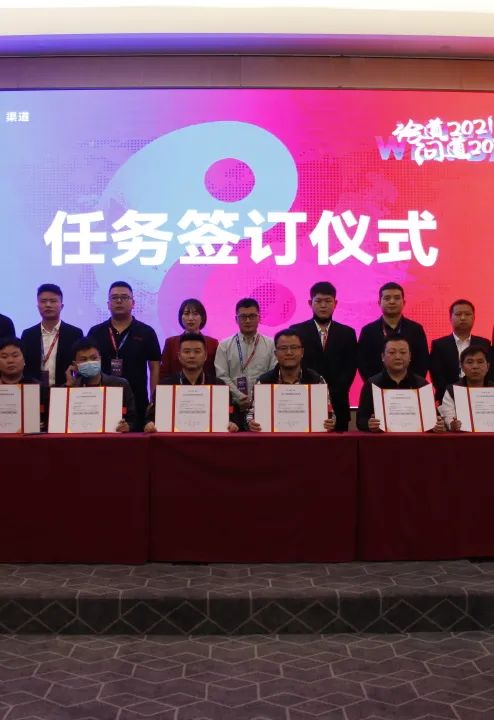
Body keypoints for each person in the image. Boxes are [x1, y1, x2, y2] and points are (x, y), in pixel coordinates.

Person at [87, 281, 161, 430]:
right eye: (114, 298)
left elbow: (154, 367)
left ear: (133, 303)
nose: (119, 301)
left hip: (138, 400)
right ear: (108, 304)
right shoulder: (95, 332)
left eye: (124, 297)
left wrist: (154, 400)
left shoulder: (147, 332)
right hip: (102, 399)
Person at [290, 281, 357, 432]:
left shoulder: (347, 333)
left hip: (338, 402)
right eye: (318, 301)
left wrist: (332, 392)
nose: (323, 305)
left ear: (335, 303)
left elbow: (350, 367)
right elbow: (294, 365)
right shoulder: (296, 331)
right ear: (310, 303)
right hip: (304, 400)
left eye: (328, 301)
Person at [145, 332, 241, 432]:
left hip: (210, 439)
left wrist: (231, 422)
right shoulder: (165, 386)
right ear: (179, 356)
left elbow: (230, 411)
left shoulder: (219, 386)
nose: (191, 356)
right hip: (174, 439)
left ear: (205, 356)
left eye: (197, 351)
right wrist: (150, 423)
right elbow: (152, 415)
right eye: (186, 352)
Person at [248, 329, 336, 432]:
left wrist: (331, 422)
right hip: (273, 439)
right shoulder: (263, 382)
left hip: (308, 439)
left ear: (302, 352)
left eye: (294, 347)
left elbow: (330, 414)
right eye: (283, 348)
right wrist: (250, 423)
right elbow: (250, 414)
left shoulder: (316, 381)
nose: (289, 352)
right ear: (276, 354)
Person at [357, 336, 444, 432]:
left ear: (410, 356)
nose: (398, 357)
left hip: (415, 439)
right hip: (382, 439)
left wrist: (437, 425)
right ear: (382, 357)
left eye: (403, 352)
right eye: (392, 352)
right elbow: (360, 421)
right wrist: (369, 424)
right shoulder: (372, 384)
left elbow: (434, 419)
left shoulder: (422, 384)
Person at [357, 282, 429, 382]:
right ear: (379, 302)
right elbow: (363, 362)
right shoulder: (368, 331)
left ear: (404, 302)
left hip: (410, 386)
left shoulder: (416, 329)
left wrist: (414, 383)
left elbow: (423, 361)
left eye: (397, 298)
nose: (392, 302)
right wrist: (373, 384)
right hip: (377, 386)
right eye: (387, 298)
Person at [215, 298, 276, 411]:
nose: (248, 321)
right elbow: (222, 376)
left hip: (264, 405)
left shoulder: (271, 344)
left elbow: (273, 373)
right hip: (234, 406)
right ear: (236, 319)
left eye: (252, 316)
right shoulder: (224, 345)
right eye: (243, 317)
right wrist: (240, 396)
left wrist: (257, 398)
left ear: (259, 318)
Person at [65, 337, 137, 432]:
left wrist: (128, 426)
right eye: (83, 359)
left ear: (100, 359)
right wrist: (68, 387)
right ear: (75, 364)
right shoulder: (71, 387)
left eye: (94, 358)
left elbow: (133, 420)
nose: (89, 362)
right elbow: (60, 418)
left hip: (111, 438)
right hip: (79, 437)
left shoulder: (120, 384)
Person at [21, 283, 83, 387]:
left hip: (65, 388)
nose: (48, 305)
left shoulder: (75, 334)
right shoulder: (28, 335)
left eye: (53, 301)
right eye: (43, 301)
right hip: (33, 390)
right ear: (38, 306)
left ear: (61, 306)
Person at [430, 299, 491, 402]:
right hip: (448, 398)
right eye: (458, 314)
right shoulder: (439, 345)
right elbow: (437, 376)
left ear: (474, 318)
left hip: (481, 398)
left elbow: (490, 372)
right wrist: (453, 395)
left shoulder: (485, 343)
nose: (463, 318)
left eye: (467, 314)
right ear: (450, 318)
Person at [159, 298, 218, 380]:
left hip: (206, 386)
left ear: (202, 318)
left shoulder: (213, 344)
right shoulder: (170, 343)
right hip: (175, 386)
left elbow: (217, 372)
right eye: (186, 314)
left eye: (195, 314)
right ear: (180, 317)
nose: (190, 318)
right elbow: (163, 373)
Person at [440, 345, 493, 431]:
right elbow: (449, 418)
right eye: (470, 362)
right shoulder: (452, 390)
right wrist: (452, 425)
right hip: (463, 437)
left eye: (480, 362)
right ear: (462, 367)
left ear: (488, 366)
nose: (475, 366)